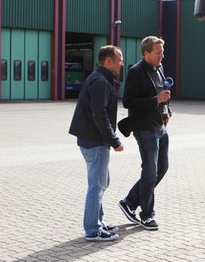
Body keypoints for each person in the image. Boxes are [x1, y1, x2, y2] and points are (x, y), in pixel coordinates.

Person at [69, 45, 124, 241]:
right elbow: (99, 115)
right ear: (108, 61)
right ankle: (92, 229)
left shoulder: (98, 78)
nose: (121, 63)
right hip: (95, 141)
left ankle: (98, 222)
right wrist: (114, 140)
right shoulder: (100, 82)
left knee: (101, 182)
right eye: (119, 60)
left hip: (90, 139)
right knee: (97, 185)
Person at [118, 35, 171, 231]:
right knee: (149, 172)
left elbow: (161, 93)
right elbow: (128, 101)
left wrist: (167, 109)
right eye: (158, 52)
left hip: (161, 126)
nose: (162, 56)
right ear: (146, 52)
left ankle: (129, 202)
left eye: (162, 52)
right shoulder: (136, 72)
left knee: (162, 168)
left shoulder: (159, 68)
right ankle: (147, 215)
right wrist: (155, 100)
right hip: (145, 128)